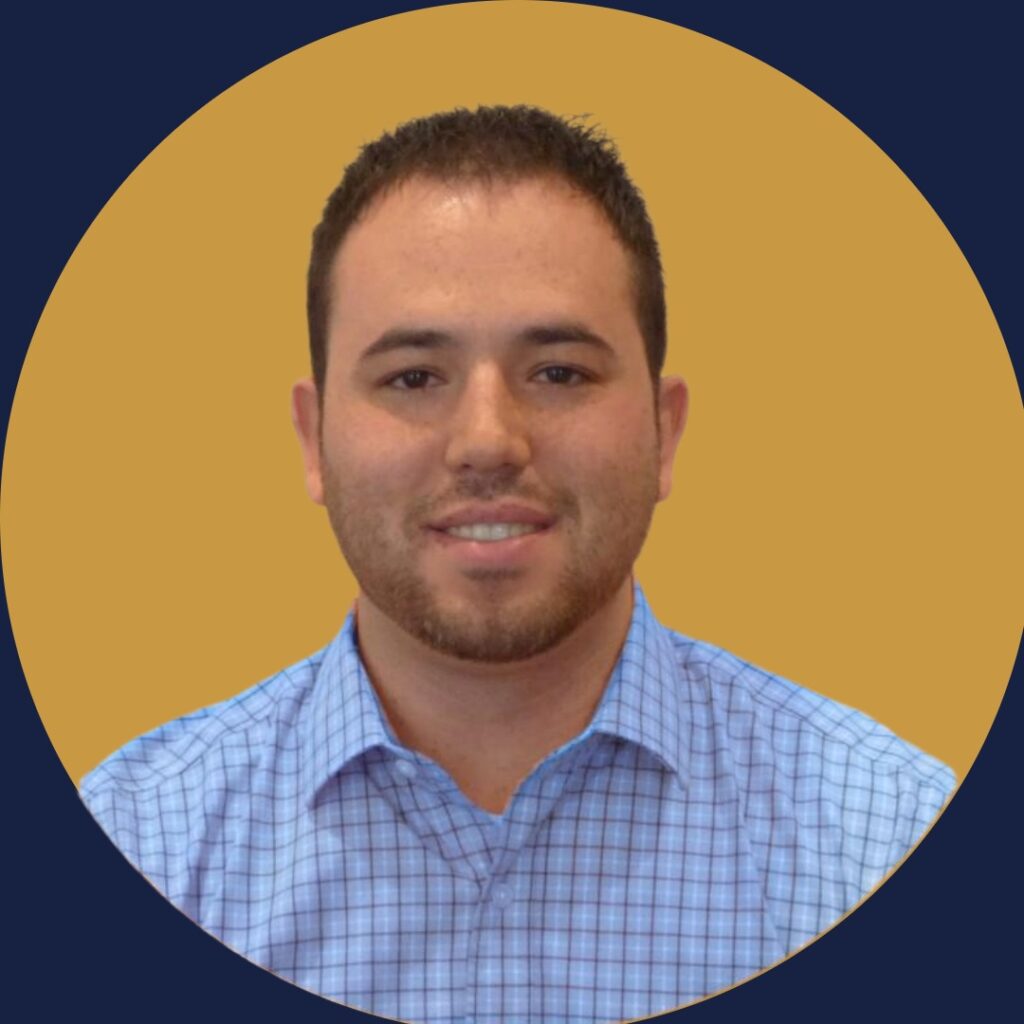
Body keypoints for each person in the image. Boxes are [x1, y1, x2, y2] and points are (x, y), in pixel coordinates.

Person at [80, 105, 955, 1024]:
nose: (488, 442)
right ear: (314, 438)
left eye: (559, 373)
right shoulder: (138, 845)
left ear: (664, 432)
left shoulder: (892, 842)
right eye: (414, 377)